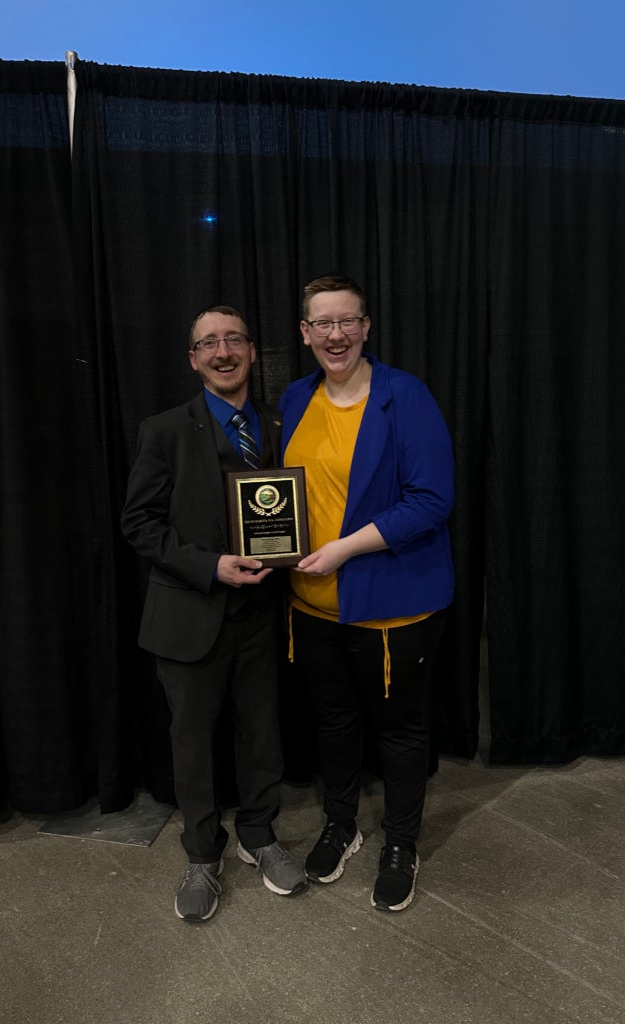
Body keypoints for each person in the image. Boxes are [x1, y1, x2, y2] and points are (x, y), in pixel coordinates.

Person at [121, 305, 307, 923]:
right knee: (193, 744)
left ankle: (260, 837)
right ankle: (202, 856)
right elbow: (138, 524)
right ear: (194, 359)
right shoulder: (166, 430)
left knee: (263, 734)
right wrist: (209, 566)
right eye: (209, 343)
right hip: (189, 614)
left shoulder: (283, 423)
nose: (223, 352)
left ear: (253, 351)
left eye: (233, 340)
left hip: (262, 614)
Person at [280, 274, 454, 912]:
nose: (335, 334)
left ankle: (402, 845)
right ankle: (341, 824)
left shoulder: (405, 397)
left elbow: (433, 500)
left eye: (347, 321)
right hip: (312, 607)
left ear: (366, 327)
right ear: (304, 334)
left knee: (403, 733)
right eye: (322, 323)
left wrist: (347, 547)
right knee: (333, 723)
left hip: (393, 607)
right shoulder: (297, 396)